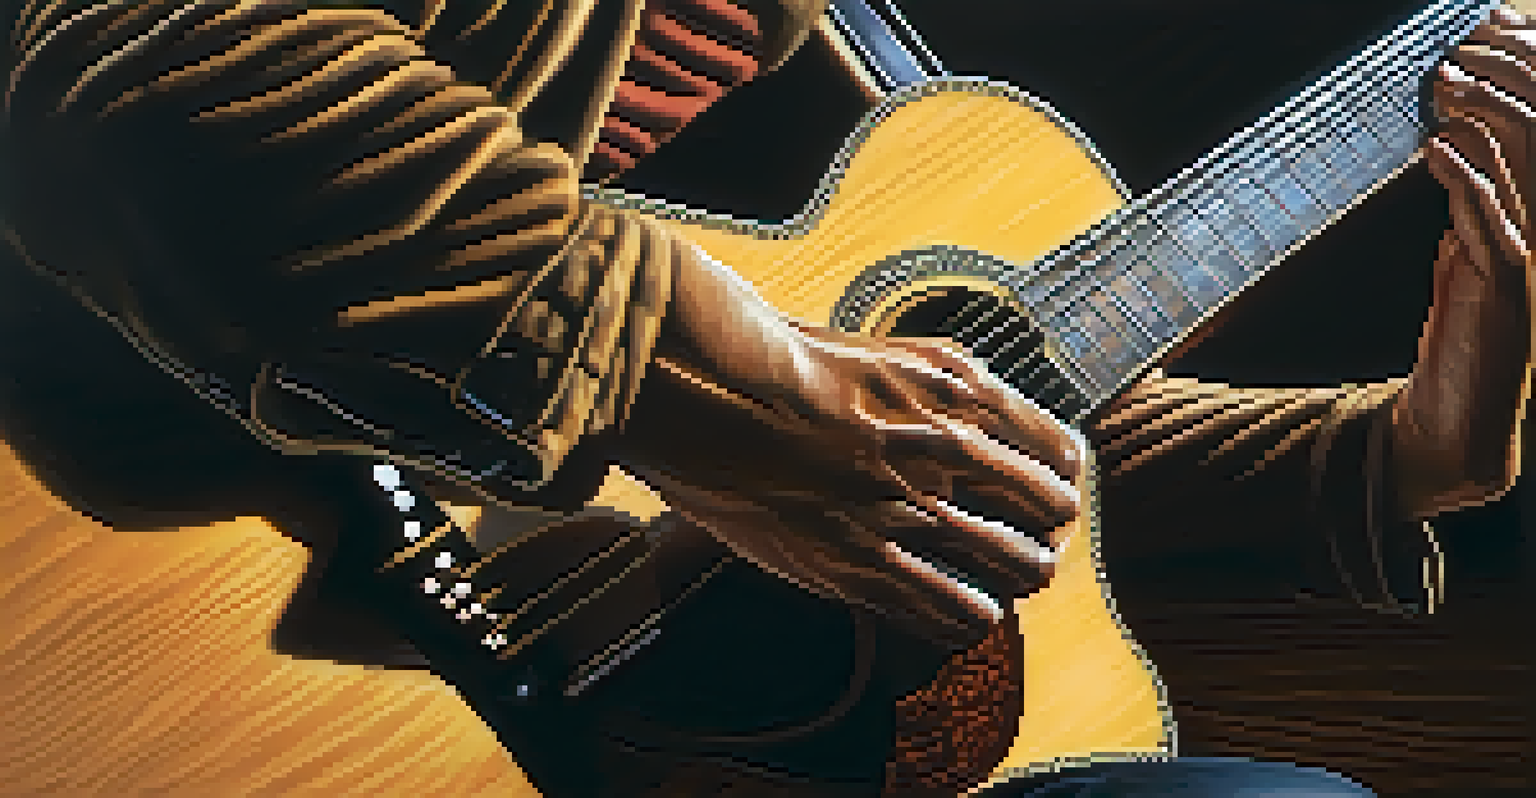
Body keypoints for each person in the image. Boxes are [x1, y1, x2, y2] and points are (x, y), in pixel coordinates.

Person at [0, 0, 1528, 795]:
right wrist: (724, 391)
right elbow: (138, 93)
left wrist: (1400, 451)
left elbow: (938, 391)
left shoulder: (829, 47)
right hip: (195, 628)